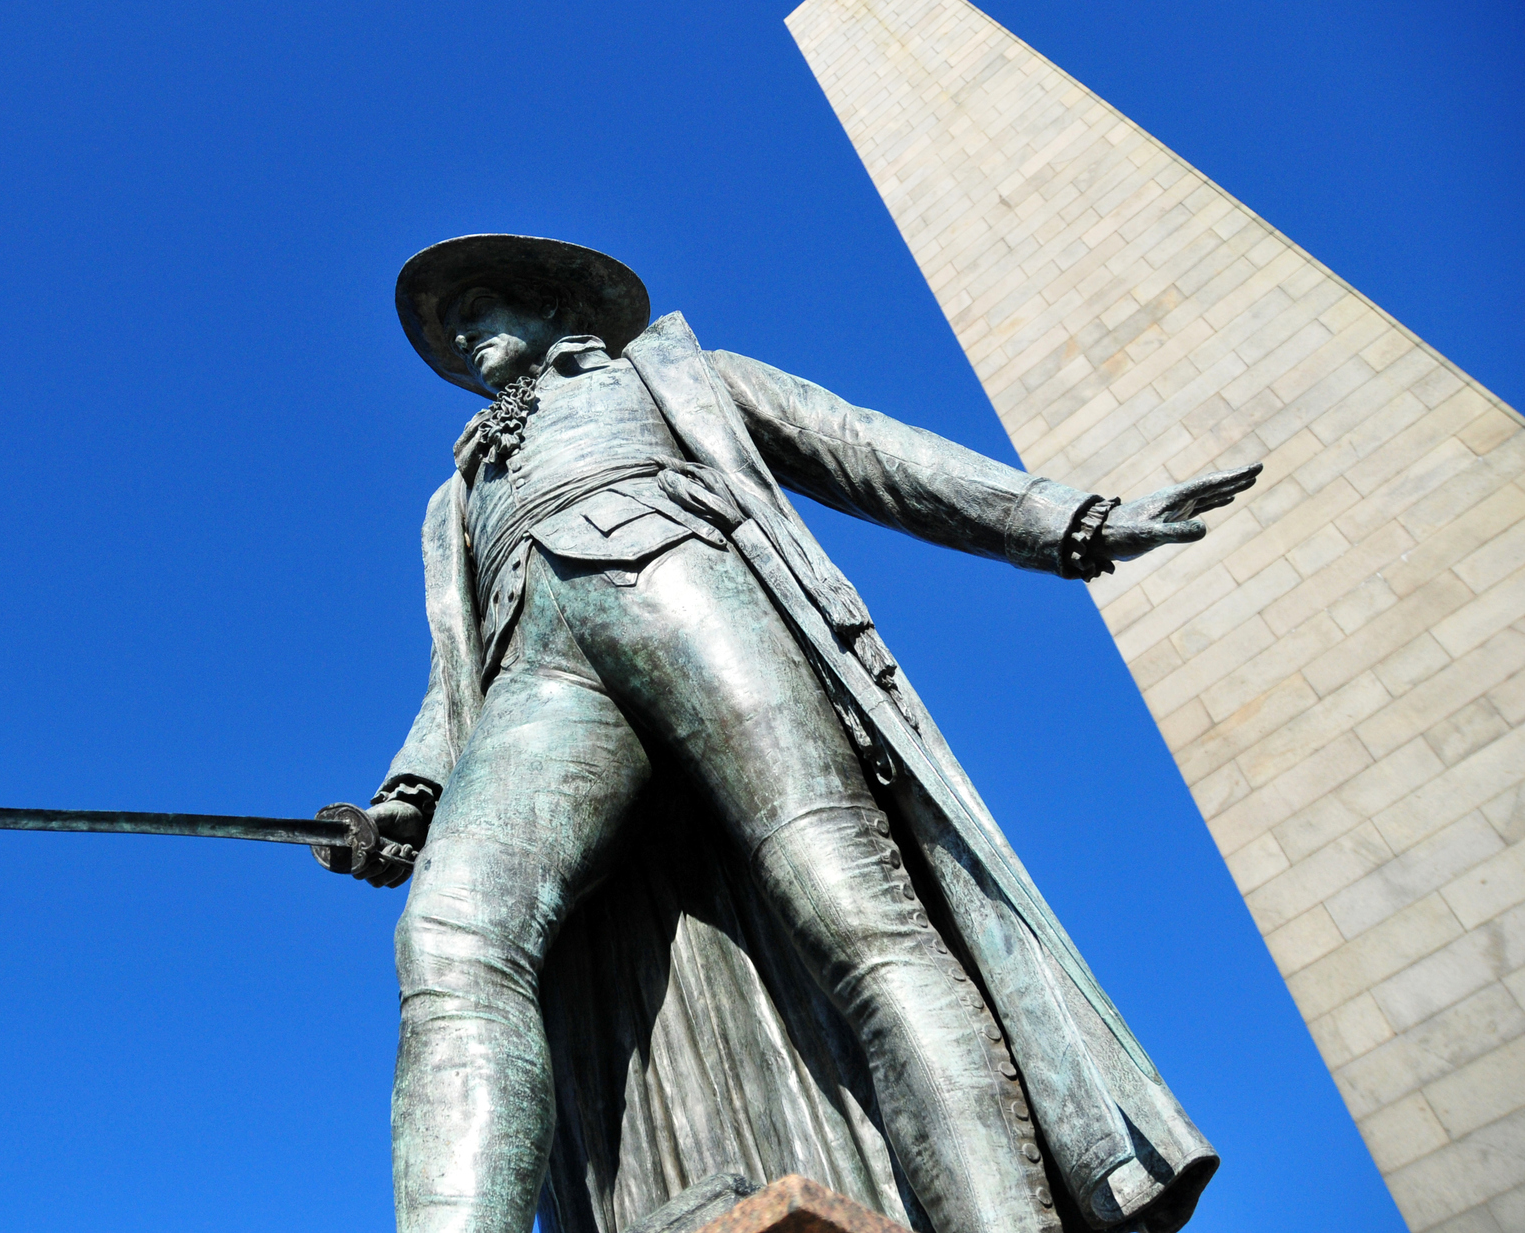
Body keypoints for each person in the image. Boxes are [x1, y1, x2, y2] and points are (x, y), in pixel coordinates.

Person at [359, 235, 1258, 1233]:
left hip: (689, 586)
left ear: (553, 303)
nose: (464, 330)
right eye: (451, 326)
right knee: (450, 940)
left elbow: (868, 449)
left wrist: (1069, 521)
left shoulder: (678, 374)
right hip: (541, 676)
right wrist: (410, 796)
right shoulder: (458, 497)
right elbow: (456, 670)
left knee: (858, 918)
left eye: (481, 304)